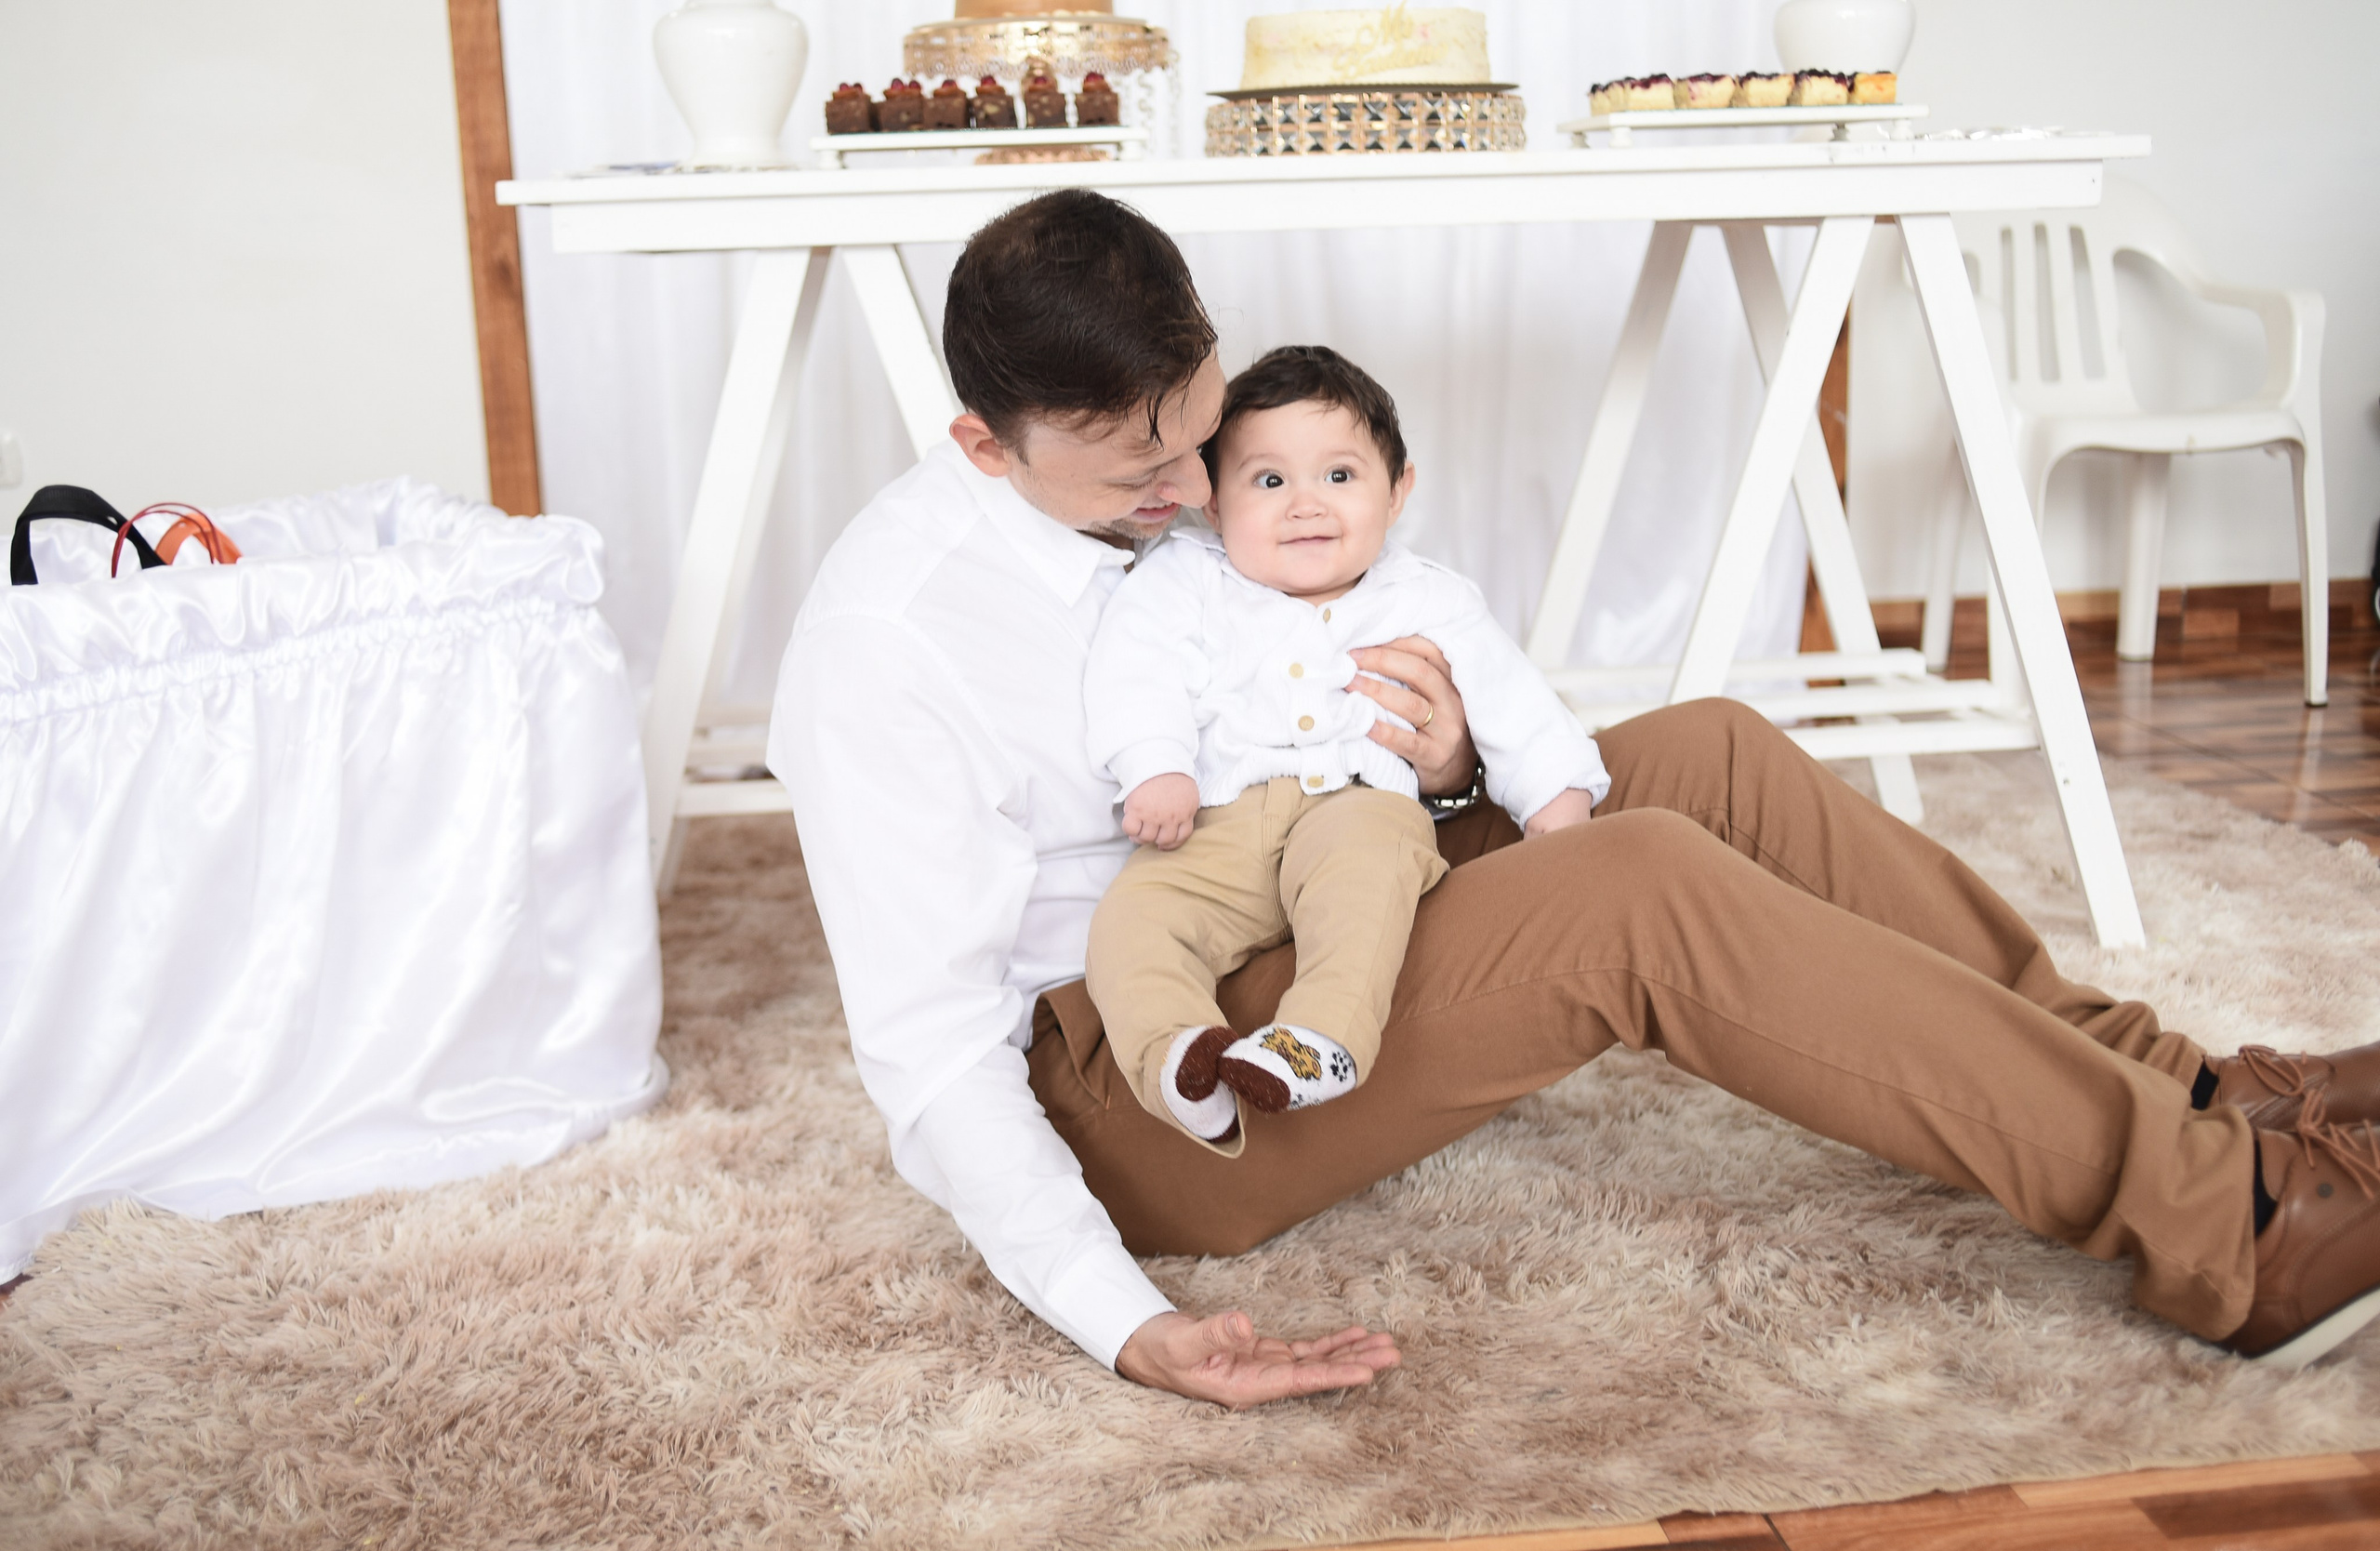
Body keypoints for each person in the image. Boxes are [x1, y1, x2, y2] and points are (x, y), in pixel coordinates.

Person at [769, 189, 2380, 1410]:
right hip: (1147, 1079)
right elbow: (923, 1059)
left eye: (1199, 439)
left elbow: (1298, 673)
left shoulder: (1163, 485)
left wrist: (1461, 760)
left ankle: (2193, 1093)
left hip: (1315, 867)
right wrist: (1122, 1315)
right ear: (982, 443)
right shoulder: (883, 647)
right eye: (1141, 474)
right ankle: (2230, 1234)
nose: (1195, 496)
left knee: (1705, 754)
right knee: (1637, 885)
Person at [1083, 344, 1606, 1141]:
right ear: (1214, 504)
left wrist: (1558, 798)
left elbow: (1512, 696)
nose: (1305, 505)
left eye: (1339, 476)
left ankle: (1321, 1038)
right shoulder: (1184, 579)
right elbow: (1133, 669)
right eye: (1268, 481)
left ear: (1398, 492)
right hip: (1216, 817)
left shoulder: (1426, 594)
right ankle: (1180, 1054)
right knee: (1132, 919)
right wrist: (1156, 767)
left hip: (1358, 804)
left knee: (1366, 892)